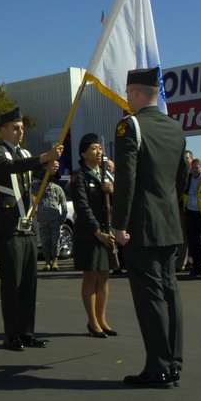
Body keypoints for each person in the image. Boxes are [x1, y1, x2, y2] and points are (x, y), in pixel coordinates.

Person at [112, 67, 188, 389]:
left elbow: (126, 180)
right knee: (170, 291)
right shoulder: (175, 128)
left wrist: (118, 225)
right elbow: (181, 177)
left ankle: (157, 367)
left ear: (136, 93)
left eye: (128, 92)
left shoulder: (130, 126)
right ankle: (173, 363)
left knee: (150, 297)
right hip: (169, 223)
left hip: (141, 224)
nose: (126, 97)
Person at [0, 107, 63, 352]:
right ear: (3, 130)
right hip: (8, 226)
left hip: (27, 225)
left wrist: (48, 169)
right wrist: (43, 158)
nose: (20, 132)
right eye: (15, 128)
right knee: (11, 282)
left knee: (29, 282)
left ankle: (27, 332)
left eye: (22, 128)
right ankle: (11, 335)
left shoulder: (25, 152)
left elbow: (32, 170)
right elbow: (11, 168)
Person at [72, 133, 118, 338]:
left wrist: (113, 189)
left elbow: (117, 203)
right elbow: (82, 206)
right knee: (91, 275)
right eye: (93, 148)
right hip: (89, 233)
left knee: (104, 275)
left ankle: (103, 318)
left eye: (100, 148)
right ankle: (92, 321)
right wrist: (96, 231)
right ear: (83, 153)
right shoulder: (79, 175)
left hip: (106, 232)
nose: (98, 152)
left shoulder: (105, 175)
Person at [33, 175, 66, 272]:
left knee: (55, 240)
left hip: (55, 219)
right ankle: (47, 262)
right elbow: (31, 199)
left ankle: (55, 261)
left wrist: (63, 217)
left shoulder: (57, 189)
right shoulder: (38, 188)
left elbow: (63, 204)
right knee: (45, 240)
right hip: (43, 219)